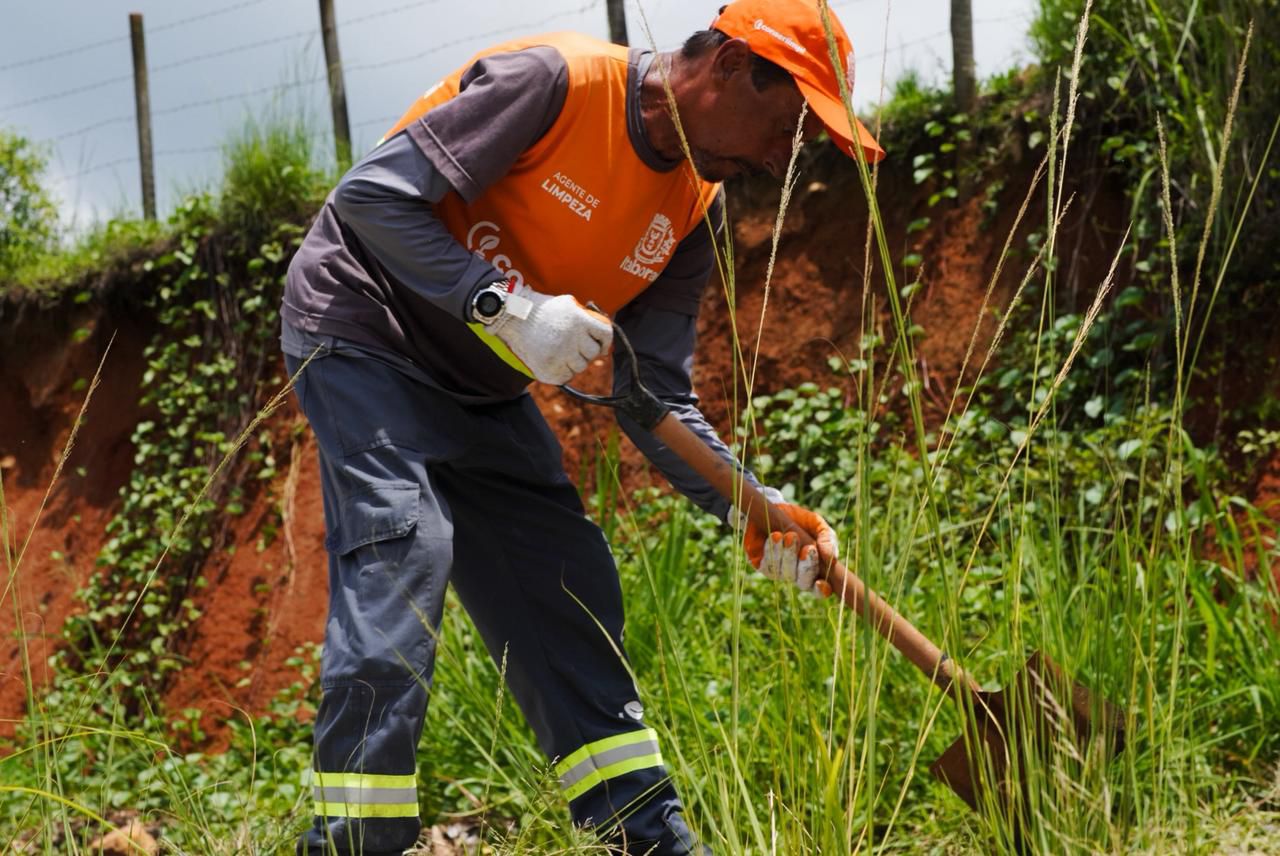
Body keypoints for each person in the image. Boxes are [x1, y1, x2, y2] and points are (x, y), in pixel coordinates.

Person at [280, 0, 883, 853]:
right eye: (786, 126)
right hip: (363, 327)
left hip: (480, 386)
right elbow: (371, 199)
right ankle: (353, 840)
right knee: (404, 550)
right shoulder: (556, 83)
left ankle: (646, 837)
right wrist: (502, 303)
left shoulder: (693, 208)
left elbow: (654, 400)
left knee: (566, 586)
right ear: (727, 68)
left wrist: (755, 509)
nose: (780, 158)